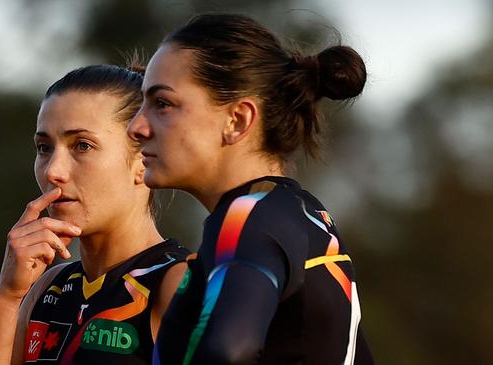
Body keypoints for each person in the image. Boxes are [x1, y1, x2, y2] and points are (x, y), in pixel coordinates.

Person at [127, 13, 374, 365]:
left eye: (162, 104)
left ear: (237, 120)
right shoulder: (298, 212)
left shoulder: (249, 215)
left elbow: (228, 351)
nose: (136, 126)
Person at [0, 64, 189, 365]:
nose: (53, 171)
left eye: (82, 145)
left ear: (143, 159)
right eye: (44, 148)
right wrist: (7, 295)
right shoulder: (47, 287)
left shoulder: (177, 282)